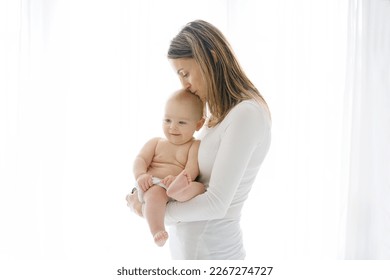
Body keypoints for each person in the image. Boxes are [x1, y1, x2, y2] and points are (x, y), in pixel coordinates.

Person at [126, 20, 271, 259]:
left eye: (185, 73)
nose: (184, 85)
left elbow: (216, 203)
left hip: (215, 255)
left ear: (212, 58)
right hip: (191, 253)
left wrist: (147, 210)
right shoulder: (216, 116)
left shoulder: (247, 114)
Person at [133, 89, 205, 247]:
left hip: (175, 185)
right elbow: (140, 159)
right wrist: (141, 176)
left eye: (182, 122)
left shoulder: (195, 145)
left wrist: (181, 179)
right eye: (167, 120)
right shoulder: (156, 142)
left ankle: (180, 191)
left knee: (200, 187)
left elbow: (192, 168)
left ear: (198, 124)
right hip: (154, 184)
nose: (173, 127)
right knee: (154, 196)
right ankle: (157, 229)